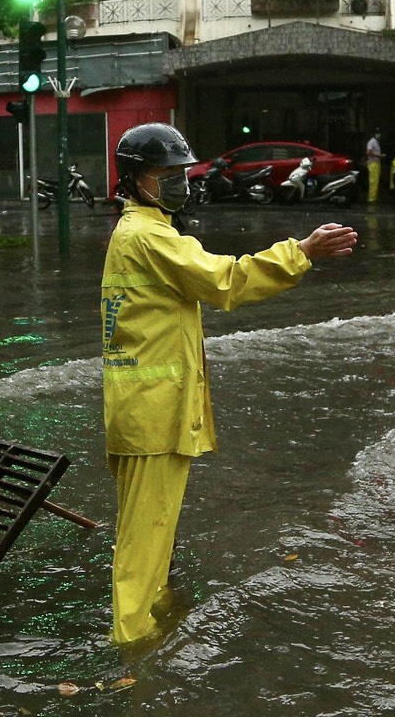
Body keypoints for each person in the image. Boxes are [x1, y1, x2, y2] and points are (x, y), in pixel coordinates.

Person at [100, 123, 357, 644]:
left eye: (182, 172)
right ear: (134, 179)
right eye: (165, 173)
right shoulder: (148, 236)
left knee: (152, 533)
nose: (179, 181)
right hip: (152, 413)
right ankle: (134, 647)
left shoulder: (140, 232)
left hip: (141, 407)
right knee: (143, 542)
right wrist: (301, 251)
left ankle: (155, 610)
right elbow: (226, 280)